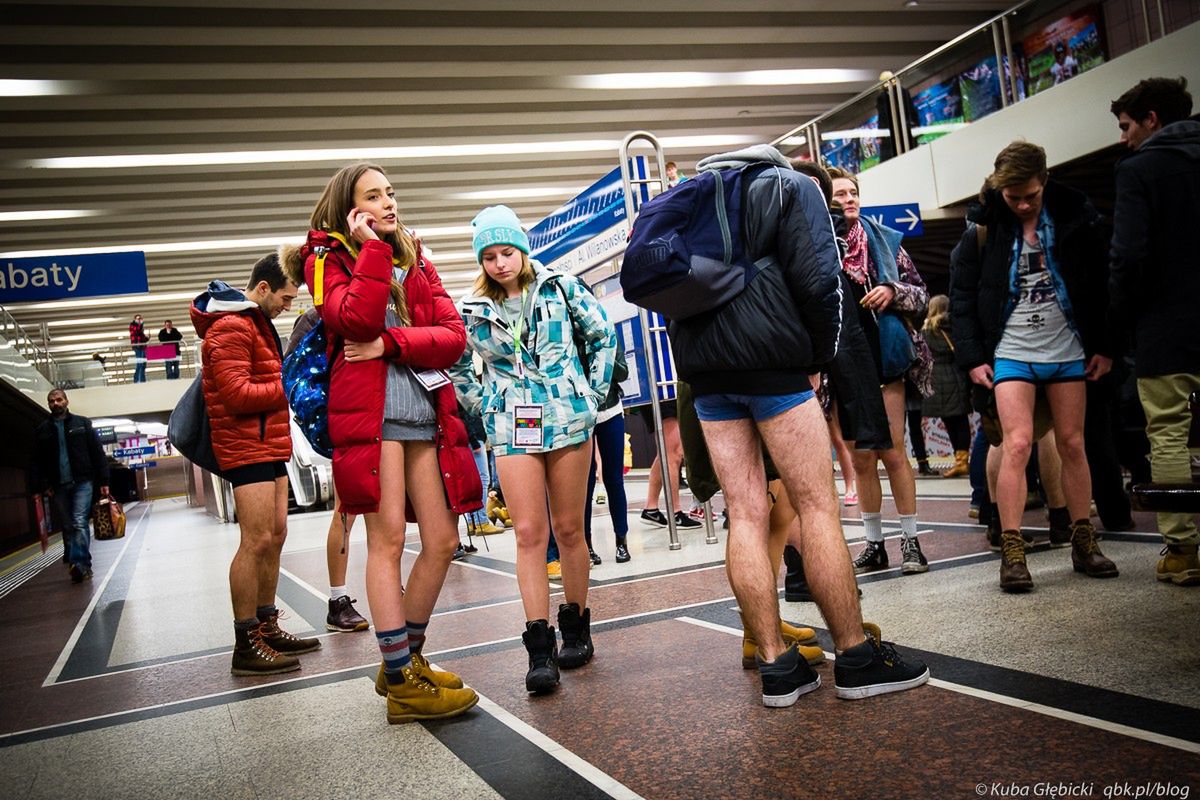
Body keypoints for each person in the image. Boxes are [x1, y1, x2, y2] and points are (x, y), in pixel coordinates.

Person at [656, 143, 928, 707]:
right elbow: (818, 279)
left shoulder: (690, 199)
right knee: (815, 504)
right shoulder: (790, 187)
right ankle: (855, 655)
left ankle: (776, 664)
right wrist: (818, 358)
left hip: (704, 372)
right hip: (774, 363)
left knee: (747, 513)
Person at [294, 162, 481, 723]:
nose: (389, 203)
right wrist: (371, 248)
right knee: (388, 543)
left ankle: (405, 661)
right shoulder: (323, 260)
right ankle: (401, 679)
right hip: (370, 419)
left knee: (443, 538)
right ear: (349, 209)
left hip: (424, 414)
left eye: (391, 193)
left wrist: (391, 346)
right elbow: (354, 318)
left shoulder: (416, 256)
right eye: (374, 196)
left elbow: (453, 339)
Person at [451, 204, 616, 695]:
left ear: (522, 249)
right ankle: (538, 648)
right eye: (489, 256)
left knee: (569, 528)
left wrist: (590, 393)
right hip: (512, 423)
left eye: (507, 252)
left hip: (567, 417)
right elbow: (458, 366)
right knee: (528, 532)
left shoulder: (561, 287)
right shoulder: (471, 310)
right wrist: (484, 403)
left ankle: (577, 628)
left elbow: (603, 334)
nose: (500, 263)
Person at [950, 141, 1118, 592]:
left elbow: (1100, 285)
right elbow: (962, 298)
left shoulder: (1075, 218)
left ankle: (1084, 540)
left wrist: (1104, 344)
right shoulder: (983, 230)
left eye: (1030, 195)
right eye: (1013, 197)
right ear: (1000, 189)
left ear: (1045, 180)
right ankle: (1012, 549)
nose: (1023, 204)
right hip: (1011, 350)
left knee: (1073, 443)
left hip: (1067, 349)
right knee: (1018, 444)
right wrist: (972, 359)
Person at [189, 252, 319, 675]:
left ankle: (266, 625)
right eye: (284, 297)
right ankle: (246, 643)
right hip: (246, 448)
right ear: (261, 288)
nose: (287, 306)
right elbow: (237, 395)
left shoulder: (256, 325)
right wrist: (287, 386)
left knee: (276, 536)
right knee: (256, 540)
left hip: (269, 445)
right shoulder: (229, 327)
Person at [1109, 76, 1200, 585]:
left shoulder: (1140, 170)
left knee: (1168, 433)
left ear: (1152, 119)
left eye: (1127, 126)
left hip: (1166, 329)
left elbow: (1129, 257)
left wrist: (1118, 323)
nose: (1124, 138)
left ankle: (1183, 549)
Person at [829, 166, 933, 575]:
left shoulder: (884, 242)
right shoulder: (822, 247)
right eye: (839, 194)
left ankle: (911, 542)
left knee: (893, 452)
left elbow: (921, 294)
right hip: (843, 367)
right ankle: (874, 543)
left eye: (853, 192)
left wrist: (893, 291)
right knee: (860, 460)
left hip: (885, 358)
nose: (849, 199)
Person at [283, 307, 371, 633]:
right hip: (348, 424)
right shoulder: (315, 318)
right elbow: (295, 377)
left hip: (382, 419)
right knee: (346, 510)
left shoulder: (376, 305)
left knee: (384, 514)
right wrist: (330, 424)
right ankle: (338, 599)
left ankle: (388, 586)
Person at [33, 389, 110, 583]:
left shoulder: (82, 424)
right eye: (51, 401)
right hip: (58, 485)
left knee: (78, 521)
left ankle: (79, 564)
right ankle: (82, 562)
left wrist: (104, 480)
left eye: (59, 399)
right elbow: (37, 462)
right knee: (68, 526)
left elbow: (97, 453)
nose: (55, 403)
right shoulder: (43, 430)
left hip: (82, 481)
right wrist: (42, 485)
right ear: (49, 404)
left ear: (67, 401)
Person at [584, 348, 631, 563]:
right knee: (585, 484)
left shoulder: (608, 336)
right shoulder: (571, 334)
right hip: (581, 413)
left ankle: (622, 542)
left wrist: (604, 355)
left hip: (611, 410)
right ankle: (587, 546)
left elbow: (623, 373)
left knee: (614, 480)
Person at [920, 295, 973, 478]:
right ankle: (962, 460)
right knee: (961, 421)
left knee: (950, 421)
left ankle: (959, 462)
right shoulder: (956, 327)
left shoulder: (926, 330)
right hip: (957, 377)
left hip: (937, 380)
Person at [636, 399, 700, 531]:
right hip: (662, 392)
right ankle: (675, 513)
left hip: (664, 391)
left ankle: (651, 508)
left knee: (666, 452)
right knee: (673, 453)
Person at [128, 314, 148, 383]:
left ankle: (142, 379)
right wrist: (140, 324)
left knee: (143, 364)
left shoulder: (140, 326)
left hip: (142, 346)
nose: (139, 320)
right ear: (135, 319)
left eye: (140, 318)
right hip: (137, 346)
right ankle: (137, 380)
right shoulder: (132, 325)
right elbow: (136, 332)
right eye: (138, 318)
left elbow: (141, 336)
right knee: (140, 363)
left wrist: (147, 338)